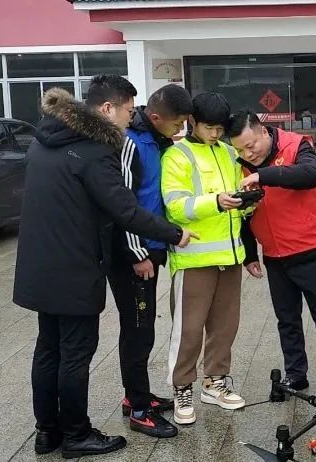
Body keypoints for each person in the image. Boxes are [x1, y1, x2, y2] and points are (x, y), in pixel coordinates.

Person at [12, 75, 197, 459]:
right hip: (75, 266)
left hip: (40, 263)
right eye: (128, 111)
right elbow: (124, 209)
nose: (131, 117)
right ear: (108, 108)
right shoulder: (95, 150)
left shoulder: (46, 140)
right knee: (75, 353)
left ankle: (48, 432)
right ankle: (76, 435)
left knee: (48, 349)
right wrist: (174, 232)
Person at [226, 110, 316, 391]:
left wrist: (262, 175)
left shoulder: (296, 145)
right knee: (287, 321)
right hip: (275, 257)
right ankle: (295, 374)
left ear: (263, 131)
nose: (248, 154)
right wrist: (250, 254)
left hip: (310, 250)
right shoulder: (240, 164)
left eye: (251, 146)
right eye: (240, 150)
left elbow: (310, 174)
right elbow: (243, 212)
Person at [108, 84, 193, 439]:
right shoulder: (131, 142)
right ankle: (139, 410)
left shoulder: (157, 140)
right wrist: (137, 253)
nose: (180, 130)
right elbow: (123, 205)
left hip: (151, 248)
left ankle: (136, 395)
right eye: (177, 124)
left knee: (142, 328)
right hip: (134, 255)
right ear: (156, 117)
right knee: (138, 329)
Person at [161, 92, 248, 426]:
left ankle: (215, 381)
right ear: (192, 121)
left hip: (230, 255)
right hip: (193, 258)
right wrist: (215, 202)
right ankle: (182, 387)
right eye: (209, 127)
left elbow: (238, 197)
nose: (215, 134)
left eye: (220, 128)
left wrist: (248, 201)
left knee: (225, 326)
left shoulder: (229, 153)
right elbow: (175, 206)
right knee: (189, 329)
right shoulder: (176, 155)